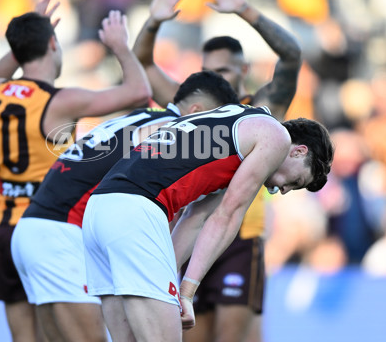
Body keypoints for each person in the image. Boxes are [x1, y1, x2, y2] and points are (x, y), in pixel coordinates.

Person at [132, 0, 303, 341]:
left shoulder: (262, 109)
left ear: (243, 71)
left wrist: (245, 10)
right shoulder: (195, 105)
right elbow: (143, 64)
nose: (214, 77)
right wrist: (153, 21)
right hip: (192, 232)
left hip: (241, 238)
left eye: (222, 70)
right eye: (208, 70)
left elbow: (291, 55)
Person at [11, 70, 239, 342]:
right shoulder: (168, 128)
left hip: (32, 228)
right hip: (62, 232)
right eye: (210, 119)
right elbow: (143, 191)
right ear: (196, 110)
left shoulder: (133, 118)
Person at [0, 0, 151, 342]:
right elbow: (139, 92)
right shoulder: (59, 101)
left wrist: (26, 40)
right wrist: (119, 46)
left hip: (3, 228)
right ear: (53, 44)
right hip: (49, 225)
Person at [82, 104, 334, 342]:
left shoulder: (240, 126)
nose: (284, 190)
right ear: (299, 150)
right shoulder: (277, 138)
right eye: (296, 181)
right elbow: (228, 216)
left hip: (99, 209)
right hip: (136, 209)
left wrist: (170, 282)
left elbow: (196, 218)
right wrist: (186, 292)